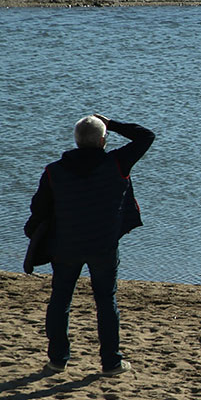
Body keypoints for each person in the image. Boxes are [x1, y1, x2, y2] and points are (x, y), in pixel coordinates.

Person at [25, 114, 155, 376]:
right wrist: (111, 123)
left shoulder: (54, 171)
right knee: (105, 301)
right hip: (103, 247)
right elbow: (146, 136)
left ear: (76, 141)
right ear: (103, 140)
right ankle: (111, 363)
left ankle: (57, 360)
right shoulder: (117, 162)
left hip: (65, 246)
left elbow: (38, 209)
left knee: (60, 299)